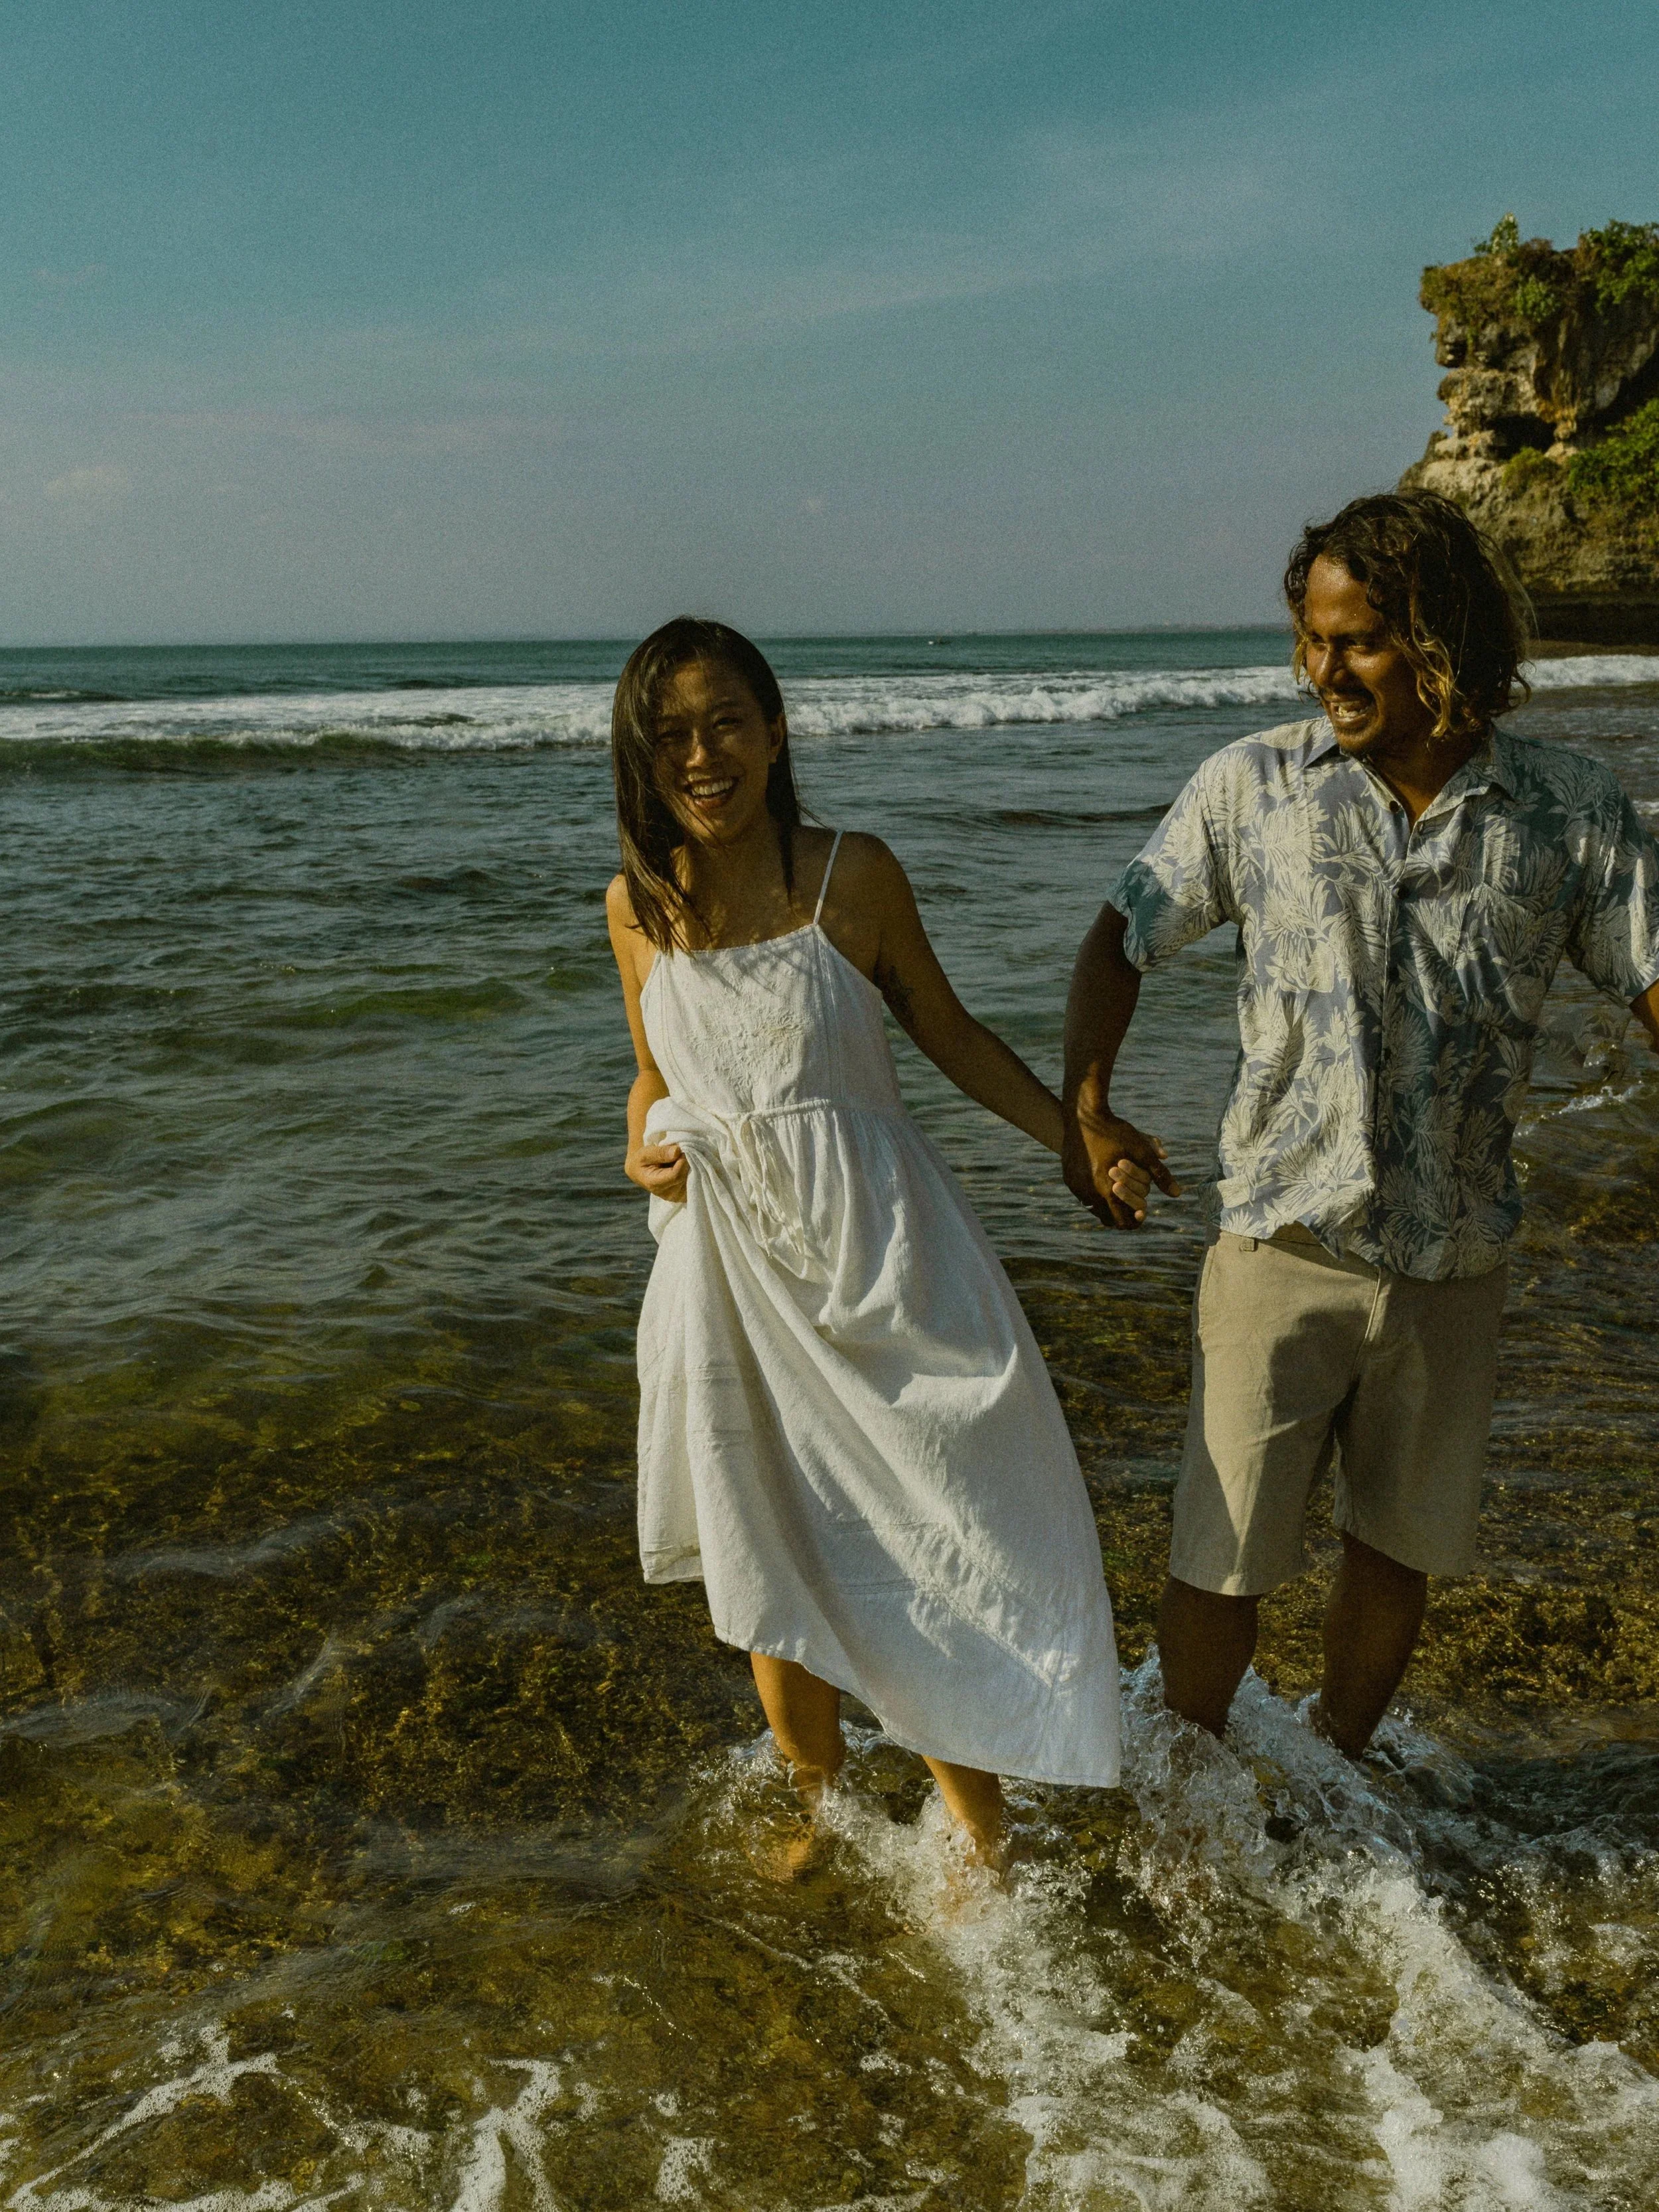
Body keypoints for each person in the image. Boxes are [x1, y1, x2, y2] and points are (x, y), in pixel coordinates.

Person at [1061, 492, 1659, 1755]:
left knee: (1398, 1552)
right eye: (1314, 641)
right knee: (1221, 1557)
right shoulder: (1253, 787)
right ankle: (1186, 1795)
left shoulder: (1569, 811)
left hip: (1455, 1262)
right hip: (1280, 1244)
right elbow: (1119, 937)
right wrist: (1091, 1107)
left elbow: (1652, 978)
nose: (1324, 670)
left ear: (1444, 641)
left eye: (1361, 642)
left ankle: (1336, 1766)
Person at [607, 617, 1130, 1872]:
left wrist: (1073, 1140)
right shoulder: (638, 904)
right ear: (643, 756)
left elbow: (947, 1033)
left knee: (923, 1525)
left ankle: (980, 1827)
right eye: (672, 735)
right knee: (760, 1531)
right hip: (725, 1268)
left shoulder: (855, 876)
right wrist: (637, 1147)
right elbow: (650, 1071)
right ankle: (818, 1803)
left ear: (776, 731)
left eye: (726, 723)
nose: (702, 755)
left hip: (877, 1253)